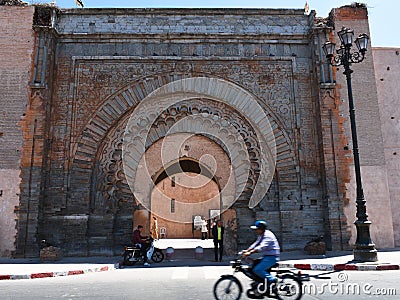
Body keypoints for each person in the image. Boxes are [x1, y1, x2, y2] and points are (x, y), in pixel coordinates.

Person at [242, 220, 280, 285]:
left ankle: (272, 279)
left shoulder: (268, 236)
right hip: (266, 257)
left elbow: (261, 247)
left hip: (272, 258)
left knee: (257, 270)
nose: (256, 231)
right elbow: (256, 243)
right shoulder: (261, 235)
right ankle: (261, 282)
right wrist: (247, 250)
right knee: (253, 265)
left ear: (261, 229)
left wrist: (250, 253)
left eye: (257, 229)